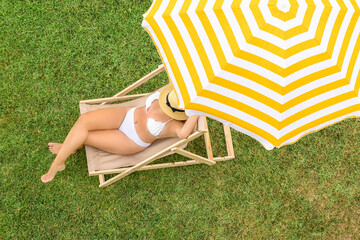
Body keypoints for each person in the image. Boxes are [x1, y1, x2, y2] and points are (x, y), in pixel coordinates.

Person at [41, 84, 199, 183]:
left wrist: (198, 111)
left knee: (86, 135)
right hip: (125, 115)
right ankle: (70, 148)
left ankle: (59, 162)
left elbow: (184, 134)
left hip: (130, 140)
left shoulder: (174, 124)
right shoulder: (171, 92)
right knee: (84, 120)